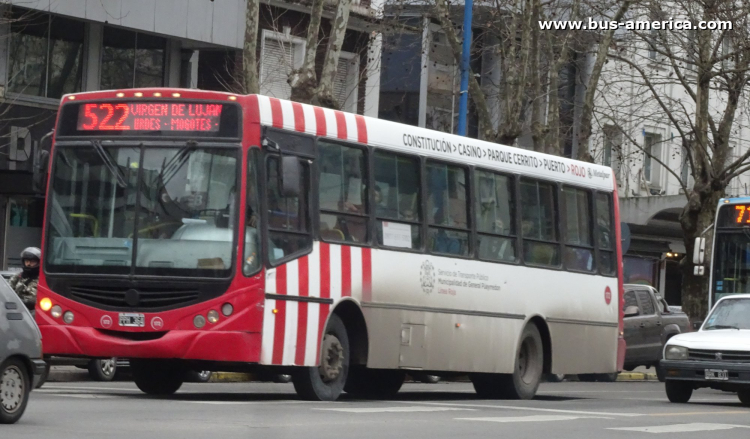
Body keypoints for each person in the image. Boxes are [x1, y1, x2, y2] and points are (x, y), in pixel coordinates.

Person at [9, 247, 41, 311]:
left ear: (39, 262)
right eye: (27, 261)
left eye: (32, 261)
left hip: (33, 312)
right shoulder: (17, 277)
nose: (28, 264)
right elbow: (7, 291)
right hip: (15, 308)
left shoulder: (42, 280)